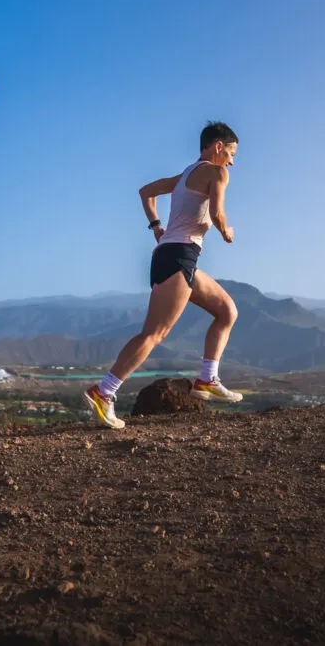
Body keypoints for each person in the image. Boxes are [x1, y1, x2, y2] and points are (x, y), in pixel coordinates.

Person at [84, 122, 244, 429]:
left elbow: (146, 192)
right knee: (154, 333)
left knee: (227, 311)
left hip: (174, 256)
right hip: (179, 257)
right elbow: (216, 213)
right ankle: (103, 392)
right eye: (232, 153)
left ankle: (207, 379)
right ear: (218, 146)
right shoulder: (217, 172)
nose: (233, 162)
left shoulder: (184, 175)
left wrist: (157, 227)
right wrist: (226, 230)